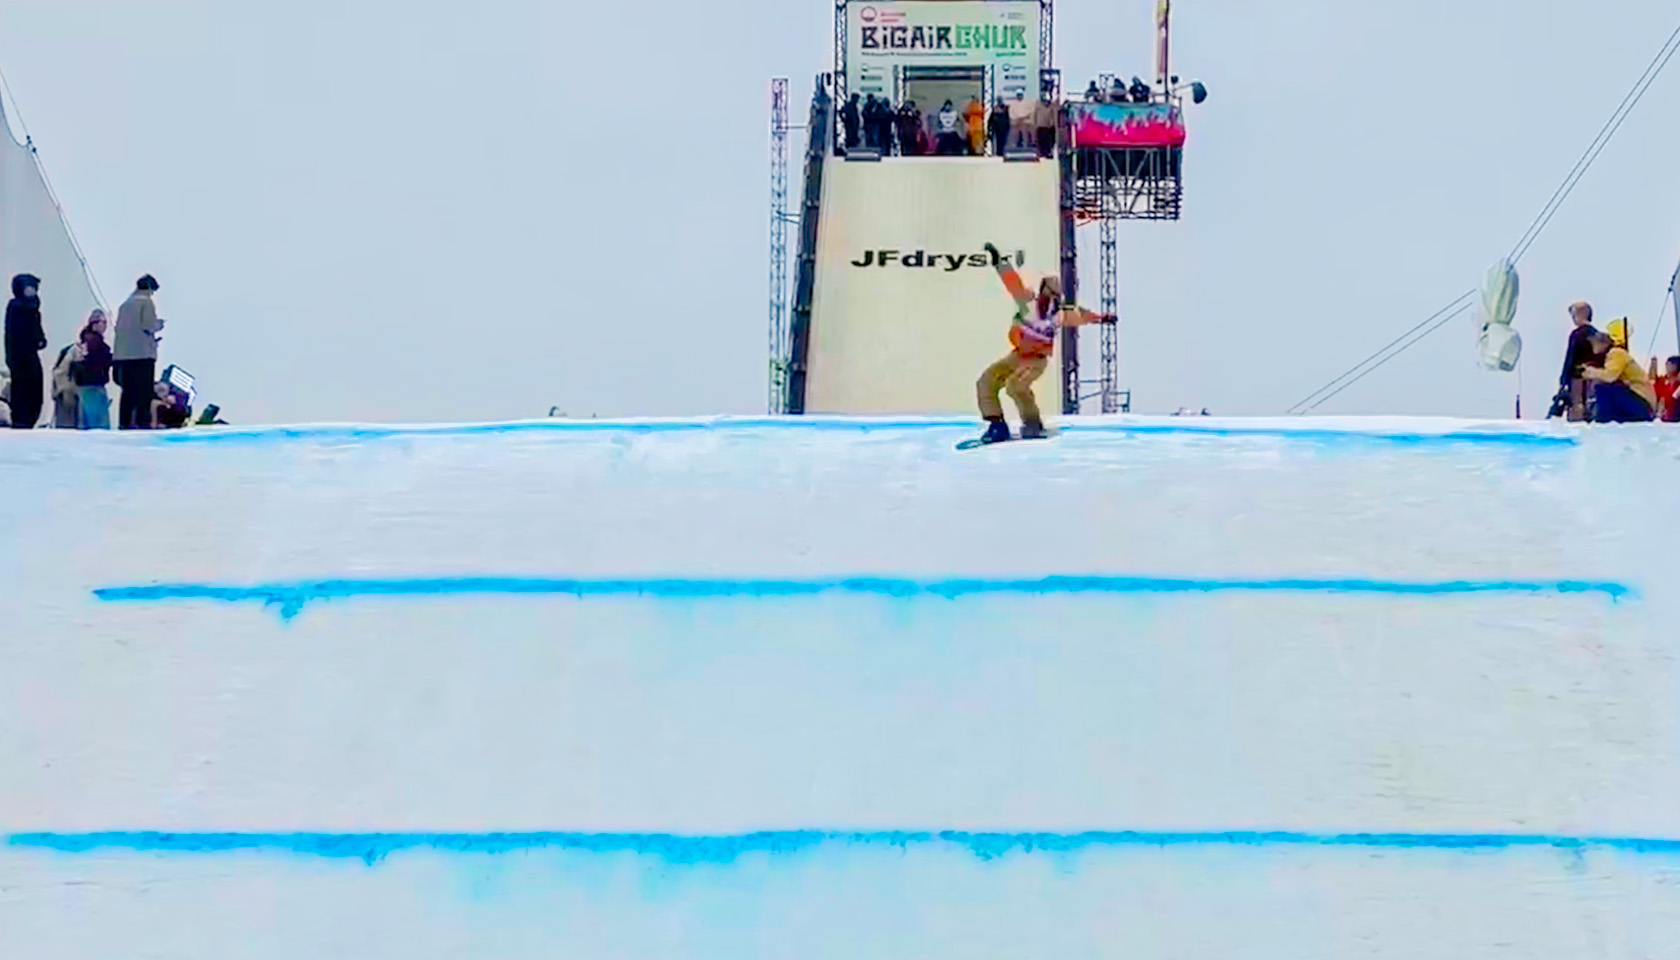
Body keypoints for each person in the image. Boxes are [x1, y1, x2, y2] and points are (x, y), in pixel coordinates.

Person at [971, 242, 1114, 443]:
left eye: (1055, 296)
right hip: (1018, 355)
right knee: (987, 381)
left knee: (1016, 386)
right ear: (1042, 291)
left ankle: (1032, 425)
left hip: (1036, 360)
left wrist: (1102, 318)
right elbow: (1012, 283)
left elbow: (1082, 316)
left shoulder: (1060, 314)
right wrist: (999, 262)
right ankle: (997, 425)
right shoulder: (1028, 303)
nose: (1051, 300)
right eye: (1048, 294)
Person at [113, 274, 163, 429]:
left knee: (128, 392)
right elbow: (148, 325)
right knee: (143, 393)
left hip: (123, 355)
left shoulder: (124, 305)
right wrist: (158, 325)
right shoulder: (146, 302)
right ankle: (142, 423)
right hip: (142, 355)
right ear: (149, 288)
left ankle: (125, 422)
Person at [1579, 330, 1655, 423]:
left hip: (1641, 400)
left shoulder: (1616, 353)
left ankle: (1603, 421)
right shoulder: (1613, 355)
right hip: (1637, 400)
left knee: (1604, 388)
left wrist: (1592, 372)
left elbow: (1610, 376)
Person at [3, 273, 46, 429]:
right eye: (28, 288)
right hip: (18, 356)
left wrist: (40, 339)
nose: (32, 292)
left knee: (35, 385)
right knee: (23, 387)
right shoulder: (16, 306)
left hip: (31, 354)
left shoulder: (34, 307)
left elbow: (36, 329)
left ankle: (30, 417)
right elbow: (14, 333)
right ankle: (21, 418)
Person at [1555, 301, 1600, 421]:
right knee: (1591, 408)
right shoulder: (1596, 334)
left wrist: (1564, 379)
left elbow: (1571, 358)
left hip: (1578, 379)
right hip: (1595, 378)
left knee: (1576, 408)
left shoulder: (1576, 334)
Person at [71, 309, 113, 429]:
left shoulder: (86, 339)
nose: (105, 326)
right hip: (93, 383)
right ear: (94, 323)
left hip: (86, 383)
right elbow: (97, 359)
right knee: (97, 422)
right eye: (102, 322)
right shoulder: (94, 341)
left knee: (87, 420)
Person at [50, 340, 79, 428]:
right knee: (67, 426)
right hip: (68, 392)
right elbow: (62, 373)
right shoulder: (74, 351)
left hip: (62, 391)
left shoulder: (69, 350)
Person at [1649, 356, 1680, 423]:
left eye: (1670, 364)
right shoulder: (1662, 382)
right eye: (1667, 363)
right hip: (1659, 417)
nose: (1666, 365)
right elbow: (1652, 383)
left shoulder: (1677, 385)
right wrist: (1653, 365)